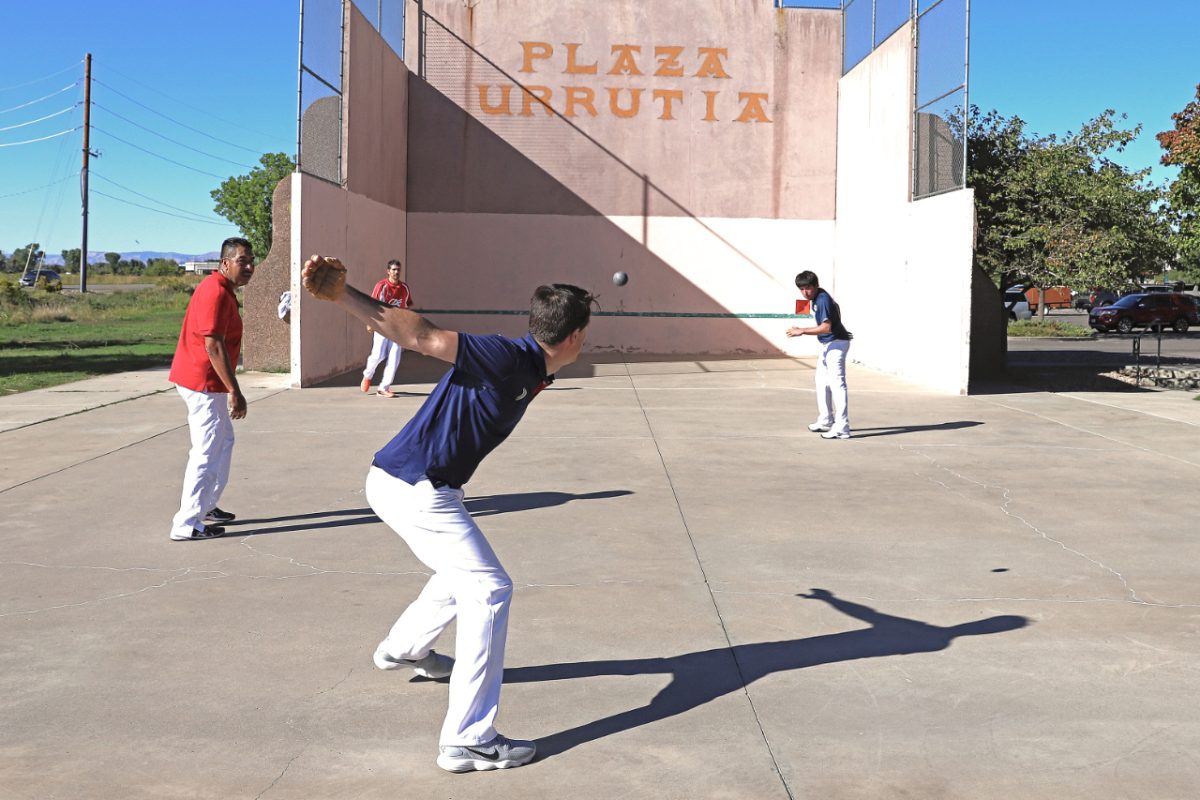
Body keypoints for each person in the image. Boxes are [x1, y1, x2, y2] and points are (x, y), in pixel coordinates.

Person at [301, 253, 594, 773]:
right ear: (573, 337)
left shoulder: (534, 368)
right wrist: (344, 295)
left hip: (415, 484)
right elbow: (423, 336)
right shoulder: (508, 357)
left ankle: (404, 649)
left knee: (459, 573)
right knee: (489, 588)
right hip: (417, 486)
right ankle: (469, 739)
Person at [167, 237, 255, 541]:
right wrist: (235, 390)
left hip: (207, 381)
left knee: (224, 441)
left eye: (251, 261)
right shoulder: (215, 292)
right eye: (242, 261)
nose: (249, 266)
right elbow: (213, 345)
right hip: (203, 382)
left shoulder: (223, 290)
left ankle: (206, 506)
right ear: (225, 263)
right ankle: (187, 524)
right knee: (206, 451)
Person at [786, 270, 852, 439]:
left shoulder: (821, 299)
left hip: (836, 344)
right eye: (801, 289)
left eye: (808, 288)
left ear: (816, 286)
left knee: (837, 384)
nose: (804, 292)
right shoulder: (818, 298)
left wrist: (802, 331)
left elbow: (826, 327)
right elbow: (836, 309)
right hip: (829, 344)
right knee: (822, 382)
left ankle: (842, 427)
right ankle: (826, 420)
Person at [360, 259, 413, 397]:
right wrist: (370, 322)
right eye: (394, 270)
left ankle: (383, 388)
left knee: (395, 356)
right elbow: (372, 304)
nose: (396, 272)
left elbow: (407, 307)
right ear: (388, 271)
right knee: (378, 354)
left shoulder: (404, 288)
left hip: (397, 328)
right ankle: (368, 375)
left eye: (398, 270)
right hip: (382, 325)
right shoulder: (381, 286)